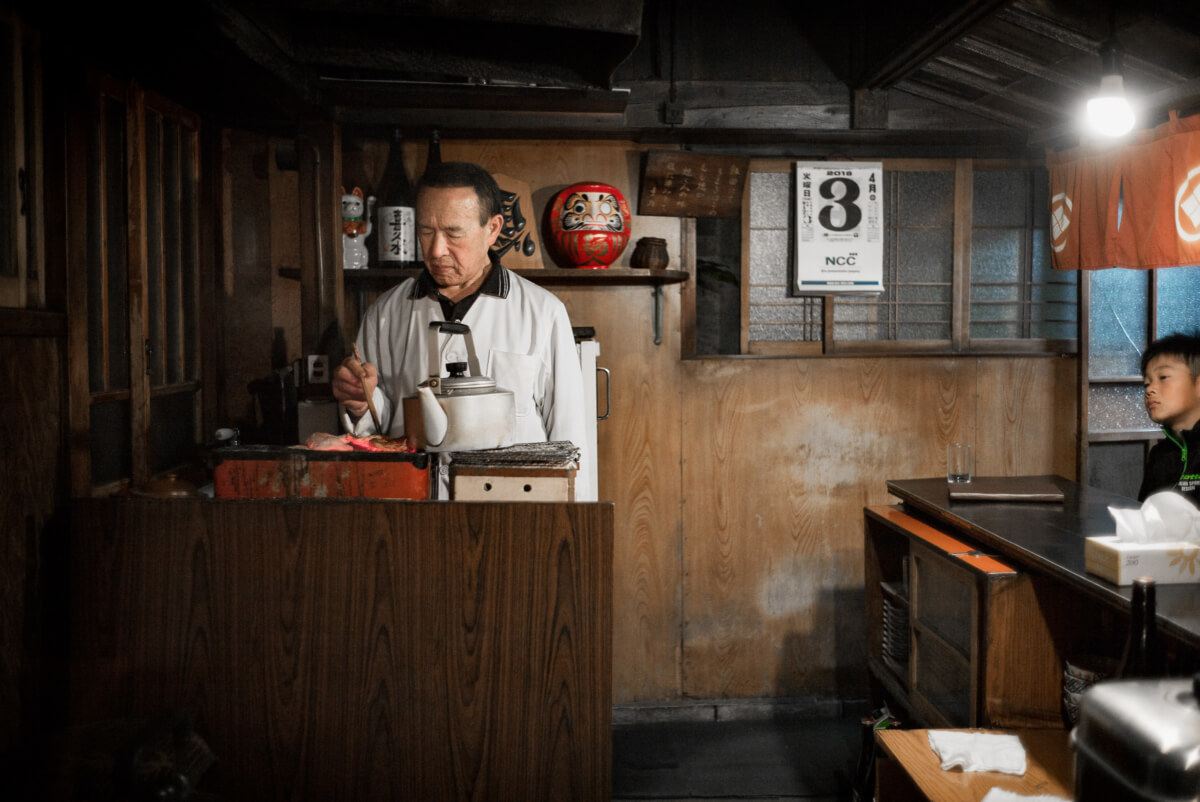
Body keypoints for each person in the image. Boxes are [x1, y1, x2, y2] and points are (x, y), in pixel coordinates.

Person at [331, 161, 591, 499]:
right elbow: (376, 435)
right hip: (411, 510)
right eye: (426, 231)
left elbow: (569, 441)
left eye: (454, 233)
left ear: (493, 228)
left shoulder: (542, 313)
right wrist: (359, 402)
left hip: (514, 512)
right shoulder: (386, 314)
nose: (437, 250)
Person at [1138, 331, 1200, 507]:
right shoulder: (1160, 455)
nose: (1150, 390)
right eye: (1146, 383)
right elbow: (1146, 517)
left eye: (1163, 377)